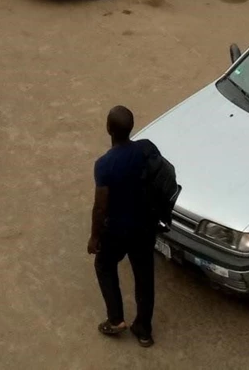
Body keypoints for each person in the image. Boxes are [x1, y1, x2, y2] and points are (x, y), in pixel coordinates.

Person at [90, 105, 159, 347]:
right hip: (144, 227)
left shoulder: (104, 165)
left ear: (108, 128)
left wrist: (94, 237)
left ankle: (116, 319)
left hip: (117, 230)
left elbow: (100, 207)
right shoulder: (144, 150)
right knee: (144, 277)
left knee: (104, 265)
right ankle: (144, 330)